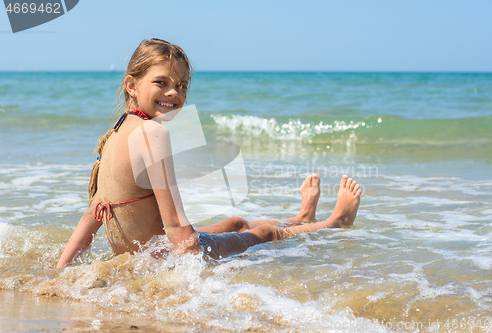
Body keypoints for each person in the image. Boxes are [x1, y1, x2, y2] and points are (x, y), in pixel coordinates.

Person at [56, 38, 362, 268]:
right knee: (266, 233)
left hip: (151, 252)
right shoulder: (153, 133)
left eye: (182, 85)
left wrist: (61, 269)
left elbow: (92, 214)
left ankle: (301, 217)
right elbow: (174, 221)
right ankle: (334, 223)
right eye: (161, 82)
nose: (173, 93)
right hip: (165, 257)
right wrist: (197, 274)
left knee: (236, 222)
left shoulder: (115, 134)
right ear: (132, 85)